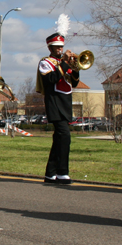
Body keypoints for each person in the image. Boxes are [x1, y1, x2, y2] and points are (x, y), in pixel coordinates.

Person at [36, 14, 79, 184]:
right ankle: (62, 172)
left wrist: (75, 68)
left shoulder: (65, 63)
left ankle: (50, 173)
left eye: (61, 47)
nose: (60, 50)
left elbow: (73, 82)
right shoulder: (45, 62)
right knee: (64, 136)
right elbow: (51, 80)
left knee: (59, 138)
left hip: (66, 102)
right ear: (50, 48)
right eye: (56, 48)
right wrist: (65, 64)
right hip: (54, 103)